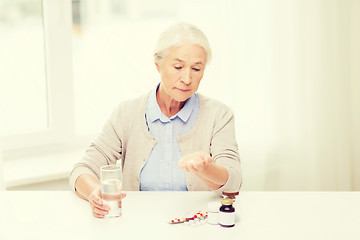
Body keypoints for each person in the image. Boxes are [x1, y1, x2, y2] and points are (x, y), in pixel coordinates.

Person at [69, 22, 242, 218]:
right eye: (178, 66)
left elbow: (234, 181)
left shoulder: (219, 115)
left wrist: (205, 169)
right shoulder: (126, 114)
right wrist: (94, 192)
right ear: (158, 65)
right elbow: (82, 169)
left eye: (196, 69)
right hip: (138, 224)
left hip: (196, 226)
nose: (186, 78)